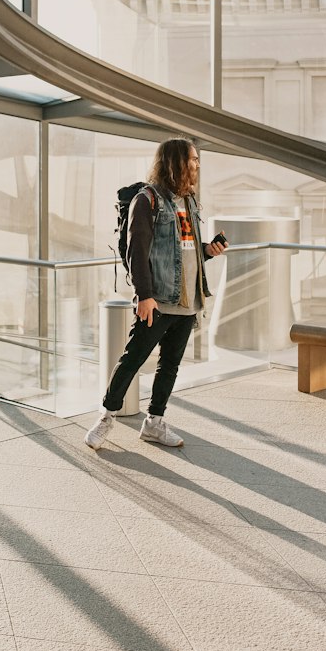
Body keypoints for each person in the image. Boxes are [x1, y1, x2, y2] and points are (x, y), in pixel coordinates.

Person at [84, 137, 227, 450]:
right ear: (176, 161)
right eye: (192, 159)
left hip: (189, 301)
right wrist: (144, 294)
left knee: (170, 365)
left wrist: (209, 251)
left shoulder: (188, 201)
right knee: (133, 359)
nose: (197, 165)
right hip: (159, 299)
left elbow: (185, 250)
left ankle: (154, 422)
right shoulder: (147, 200)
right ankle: (106, 416)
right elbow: (138, 251)